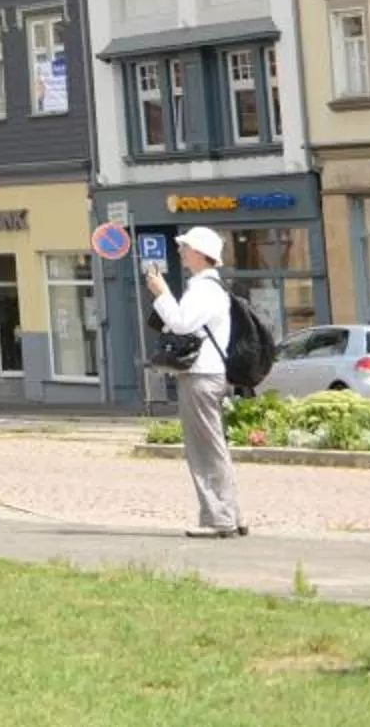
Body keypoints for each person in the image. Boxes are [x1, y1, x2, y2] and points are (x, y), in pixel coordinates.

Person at [146, 226, 245, 538]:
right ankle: (229, 515)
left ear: (202, 254)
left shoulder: (204, 289)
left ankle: (219, 519)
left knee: (204, 450)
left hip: (201, 375)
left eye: (185, 247)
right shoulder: (210, 287)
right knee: (213, 446)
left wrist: (161, 293)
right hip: (209, 374)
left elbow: (180, 323)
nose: (180, 252)